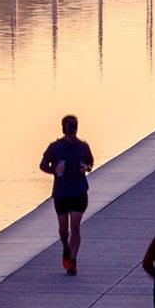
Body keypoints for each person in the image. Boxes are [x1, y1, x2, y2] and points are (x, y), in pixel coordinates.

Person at [40, 116, 96, 274]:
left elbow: (91, 162)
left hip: (79, 191)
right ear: (64, 129)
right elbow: (43, 165)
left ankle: (73, 261)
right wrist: (54, 170)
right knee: (64, 230)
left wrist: (86, 167)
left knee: (76, 225)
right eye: (70, 128)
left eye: (75, 128)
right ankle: (66, 247)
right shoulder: (55, 147)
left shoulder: (83, 147)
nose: (73, 132)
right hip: (62, 193)